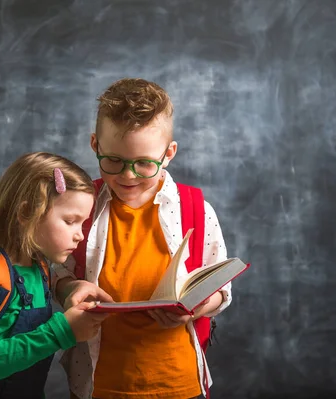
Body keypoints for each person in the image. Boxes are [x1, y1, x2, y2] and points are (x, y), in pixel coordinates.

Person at [53, 79, 233, 399]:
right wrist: (70, 289)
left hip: (178, 381)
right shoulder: (82, 206)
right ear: (95, 145)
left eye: (144, 163)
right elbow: (56, 272)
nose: (128, 175)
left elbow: (221, 288)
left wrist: (200, 305)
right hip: (98, 383)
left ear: (168, 154)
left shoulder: (196, 209)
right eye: (114, 160)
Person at [0, 152, 112, 399]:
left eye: (83, 224)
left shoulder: (39, 266)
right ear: (26, 214)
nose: (79, 235)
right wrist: (62, 331)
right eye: (70, 221)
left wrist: (69, 290)